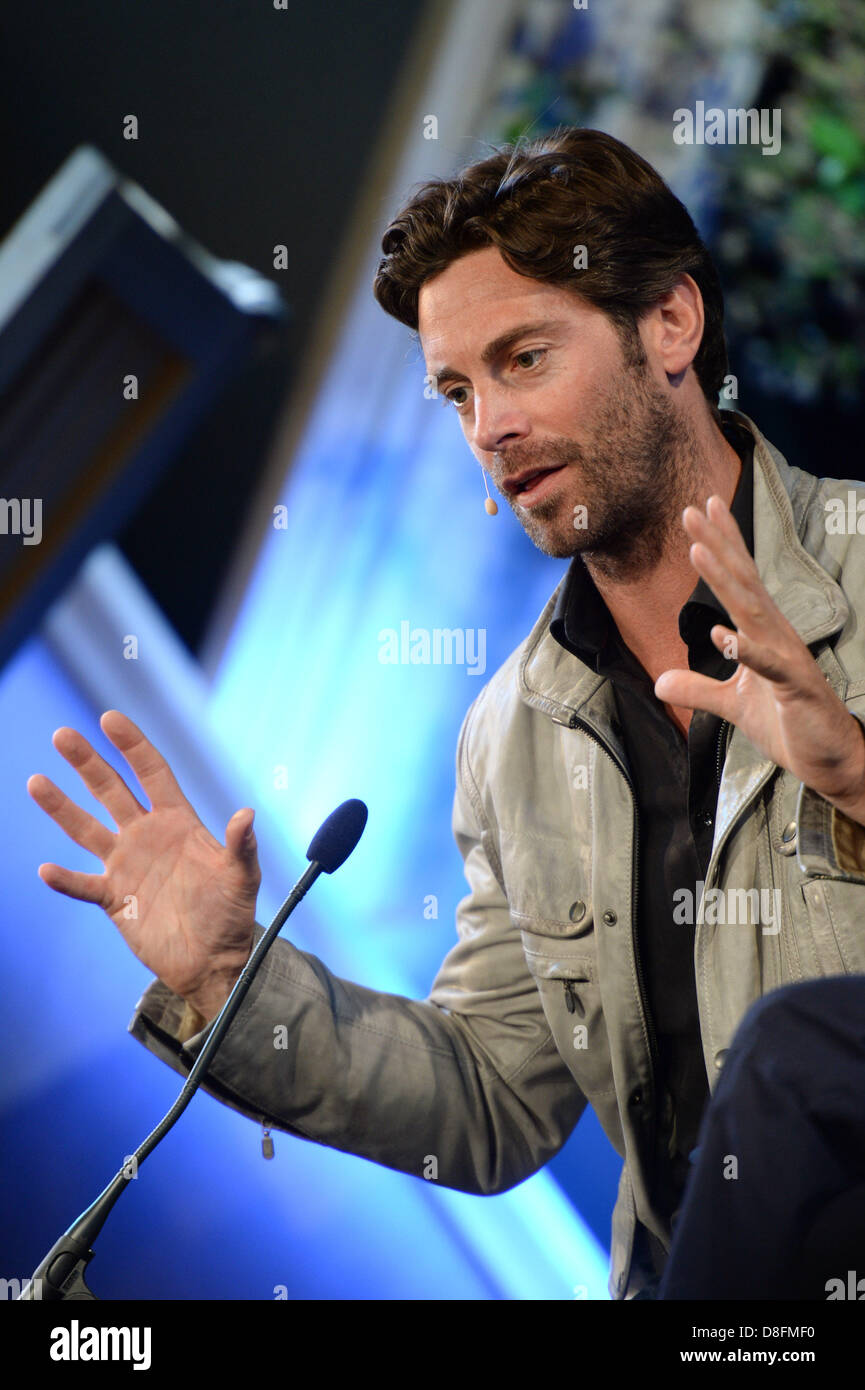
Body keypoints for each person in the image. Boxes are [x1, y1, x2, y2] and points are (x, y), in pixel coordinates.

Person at [27, 127, 865, 1300]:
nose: (488, 426)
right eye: (458, 390)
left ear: (670, 325)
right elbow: (486, 1103)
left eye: (524, 359)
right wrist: (231, 984)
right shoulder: (509, 737)